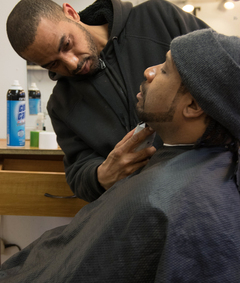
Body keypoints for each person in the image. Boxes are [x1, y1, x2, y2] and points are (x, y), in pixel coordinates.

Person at [1, 28, 240, 282]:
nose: (149, 71)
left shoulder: (185, 206)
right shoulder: (194, 171)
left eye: (165, 69)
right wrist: (100, 176)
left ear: (193, 106)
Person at [6, 0, 210, 202]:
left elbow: (225, 67)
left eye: (66, 44)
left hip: (214, 179)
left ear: (71, 13)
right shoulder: (61, 105)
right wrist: (101, 176)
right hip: (142, 205)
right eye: (52, 64)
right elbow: (78, 174)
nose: (72, 64)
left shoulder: (157, 18)